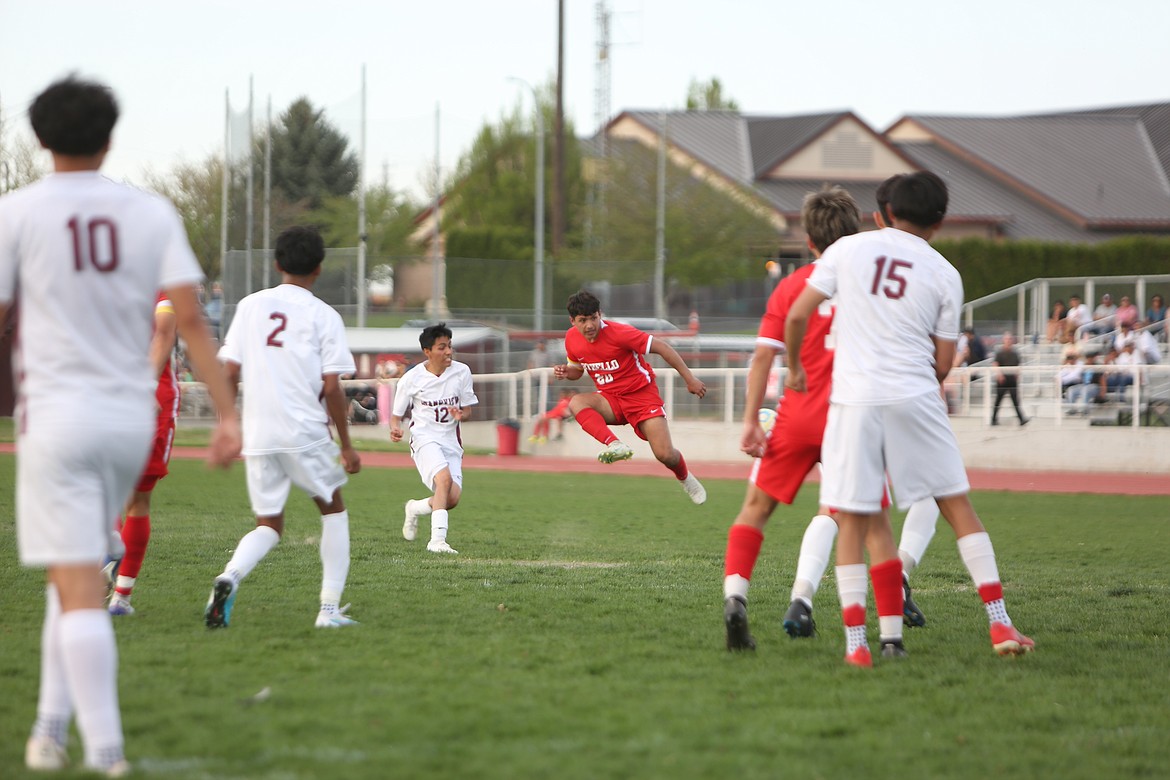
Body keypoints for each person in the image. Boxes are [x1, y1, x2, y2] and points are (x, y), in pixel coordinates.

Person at [0, 76, 241, 776]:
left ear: (39, 139)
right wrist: (227, 415)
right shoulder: (150, 212)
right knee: (72, 573)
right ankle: (47, 729)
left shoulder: (16, 212)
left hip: (56, 416)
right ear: (110, 137)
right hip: (128, 417)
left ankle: (106, 751)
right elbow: (192, 321)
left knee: (75, 585)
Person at [784, 171, 1034, 666]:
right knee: (957, 506)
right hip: (915, 395)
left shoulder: (848, 250)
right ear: (940, 222)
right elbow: (943, 363)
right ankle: (1000, 620)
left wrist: (793, 370)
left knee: (851, 520)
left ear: (882, 214)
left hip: (854, 399)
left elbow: (796, 316)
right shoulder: (944, 272)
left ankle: (857, 647)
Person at [722, 183, 935, 652]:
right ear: (856, 229)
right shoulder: (874, 284)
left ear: (809, 238)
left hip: (796, 415)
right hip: (854, 419)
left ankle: (736, 598)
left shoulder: (792, 286)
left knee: (755, 510)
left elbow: (762, 358)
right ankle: (891, 639)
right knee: (873, 525)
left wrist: (750, 421)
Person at [204, 225, 361, 630]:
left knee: (268, 525)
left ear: (277, 263)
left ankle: (230, 576)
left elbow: (230, 372)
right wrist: (346, 445)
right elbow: (331, 387)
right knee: (334, 512)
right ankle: (328, 611)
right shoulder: (324, 315)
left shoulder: (250, 306)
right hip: (305, 432)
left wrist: (227, 427)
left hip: (258, 435)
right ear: (319, 268)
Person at [552, 290, 708, 504]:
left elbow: (662, 347)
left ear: (600, 314)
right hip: (611, 399)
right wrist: (566, 372)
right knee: (576, 402)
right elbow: (577, 370)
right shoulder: (571, 340)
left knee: (665, 455)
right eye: (582, 320)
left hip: (642, 397)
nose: (589, 325)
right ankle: (615, 445)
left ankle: (685, 478)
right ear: (572, 321)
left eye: (593, 318)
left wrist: (689, 379)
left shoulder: (620, 333)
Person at [105, 293, 181, 616]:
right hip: (150, 397)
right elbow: (164, 331)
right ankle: (120, 596)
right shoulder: (162, 289)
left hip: (103, 394)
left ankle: (108, 552)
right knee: (137, 499)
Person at [392, 323, 479, 554]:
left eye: (450, 346)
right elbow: (396, 415)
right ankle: (437, 541)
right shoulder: (412, 379)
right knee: (444, 480)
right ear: (427, 351)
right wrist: (395, 428)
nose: (448, 351)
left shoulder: (462, 372)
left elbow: (468, 412)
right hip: (424, 438)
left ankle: (413, 508)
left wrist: (462, 415)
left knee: (451, 499)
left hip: (450, 442)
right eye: (442, 347)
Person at [990, 332, 1029, 426]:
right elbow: (995, 364)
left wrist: (1017, 375)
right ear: (1003, 340)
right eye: (1007, 339)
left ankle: (1021, 419)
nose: (1008, 341)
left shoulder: (1015, 353)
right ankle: (993, 419)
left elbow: (1018, 365)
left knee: (1015, 400)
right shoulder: (999, 352)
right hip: (1002, 380)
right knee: (998, 400)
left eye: (1010, 339)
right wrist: (999, 375)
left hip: (1012, 380)